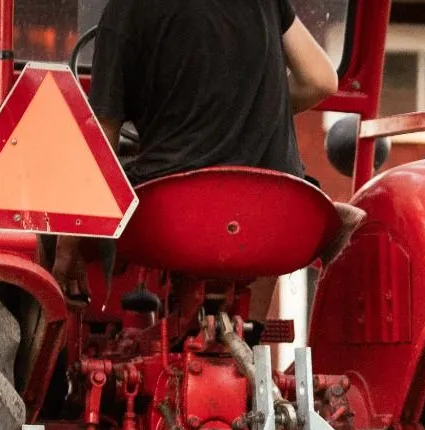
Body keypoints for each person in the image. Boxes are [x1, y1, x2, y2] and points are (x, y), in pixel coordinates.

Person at [52, 0, 354, 302]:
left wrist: (68, 245)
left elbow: (103, 135)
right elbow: (320, 80)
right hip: (274, 218)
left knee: (55, 211)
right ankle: (252, 334)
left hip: (172, 218)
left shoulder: (126, 9)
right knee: (273, 181)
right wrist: (248, 115)